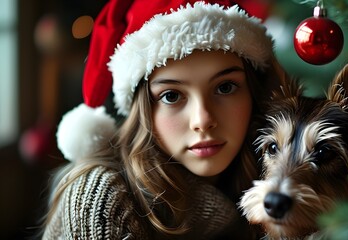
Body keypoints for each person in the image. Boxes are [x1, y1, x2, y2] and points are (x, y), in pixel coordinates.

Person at [41, 0, 287, 239]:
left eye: (225, 87)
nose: (202, 120)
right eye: (171, 96)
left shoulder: (286, 184)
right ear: (143, 110)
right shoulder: (100, 196)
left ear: (254, 93)